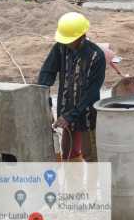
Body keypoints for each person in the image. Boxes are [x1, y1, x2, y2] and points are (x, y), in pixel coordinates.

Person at [38, 12, 106, 161]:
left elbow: (92, 92)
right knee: (69, 153)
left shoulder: (96, 56)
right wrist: (41, 93)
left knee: (91, 156)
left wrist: (72, 115)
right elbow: (48, 71)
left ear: (81, 36)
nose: (67, 43)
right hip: (66, 108)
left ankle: (93, 183)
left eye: (70, 40)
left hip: (87, 113)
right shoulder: (61, 48)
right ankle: (74, 183)